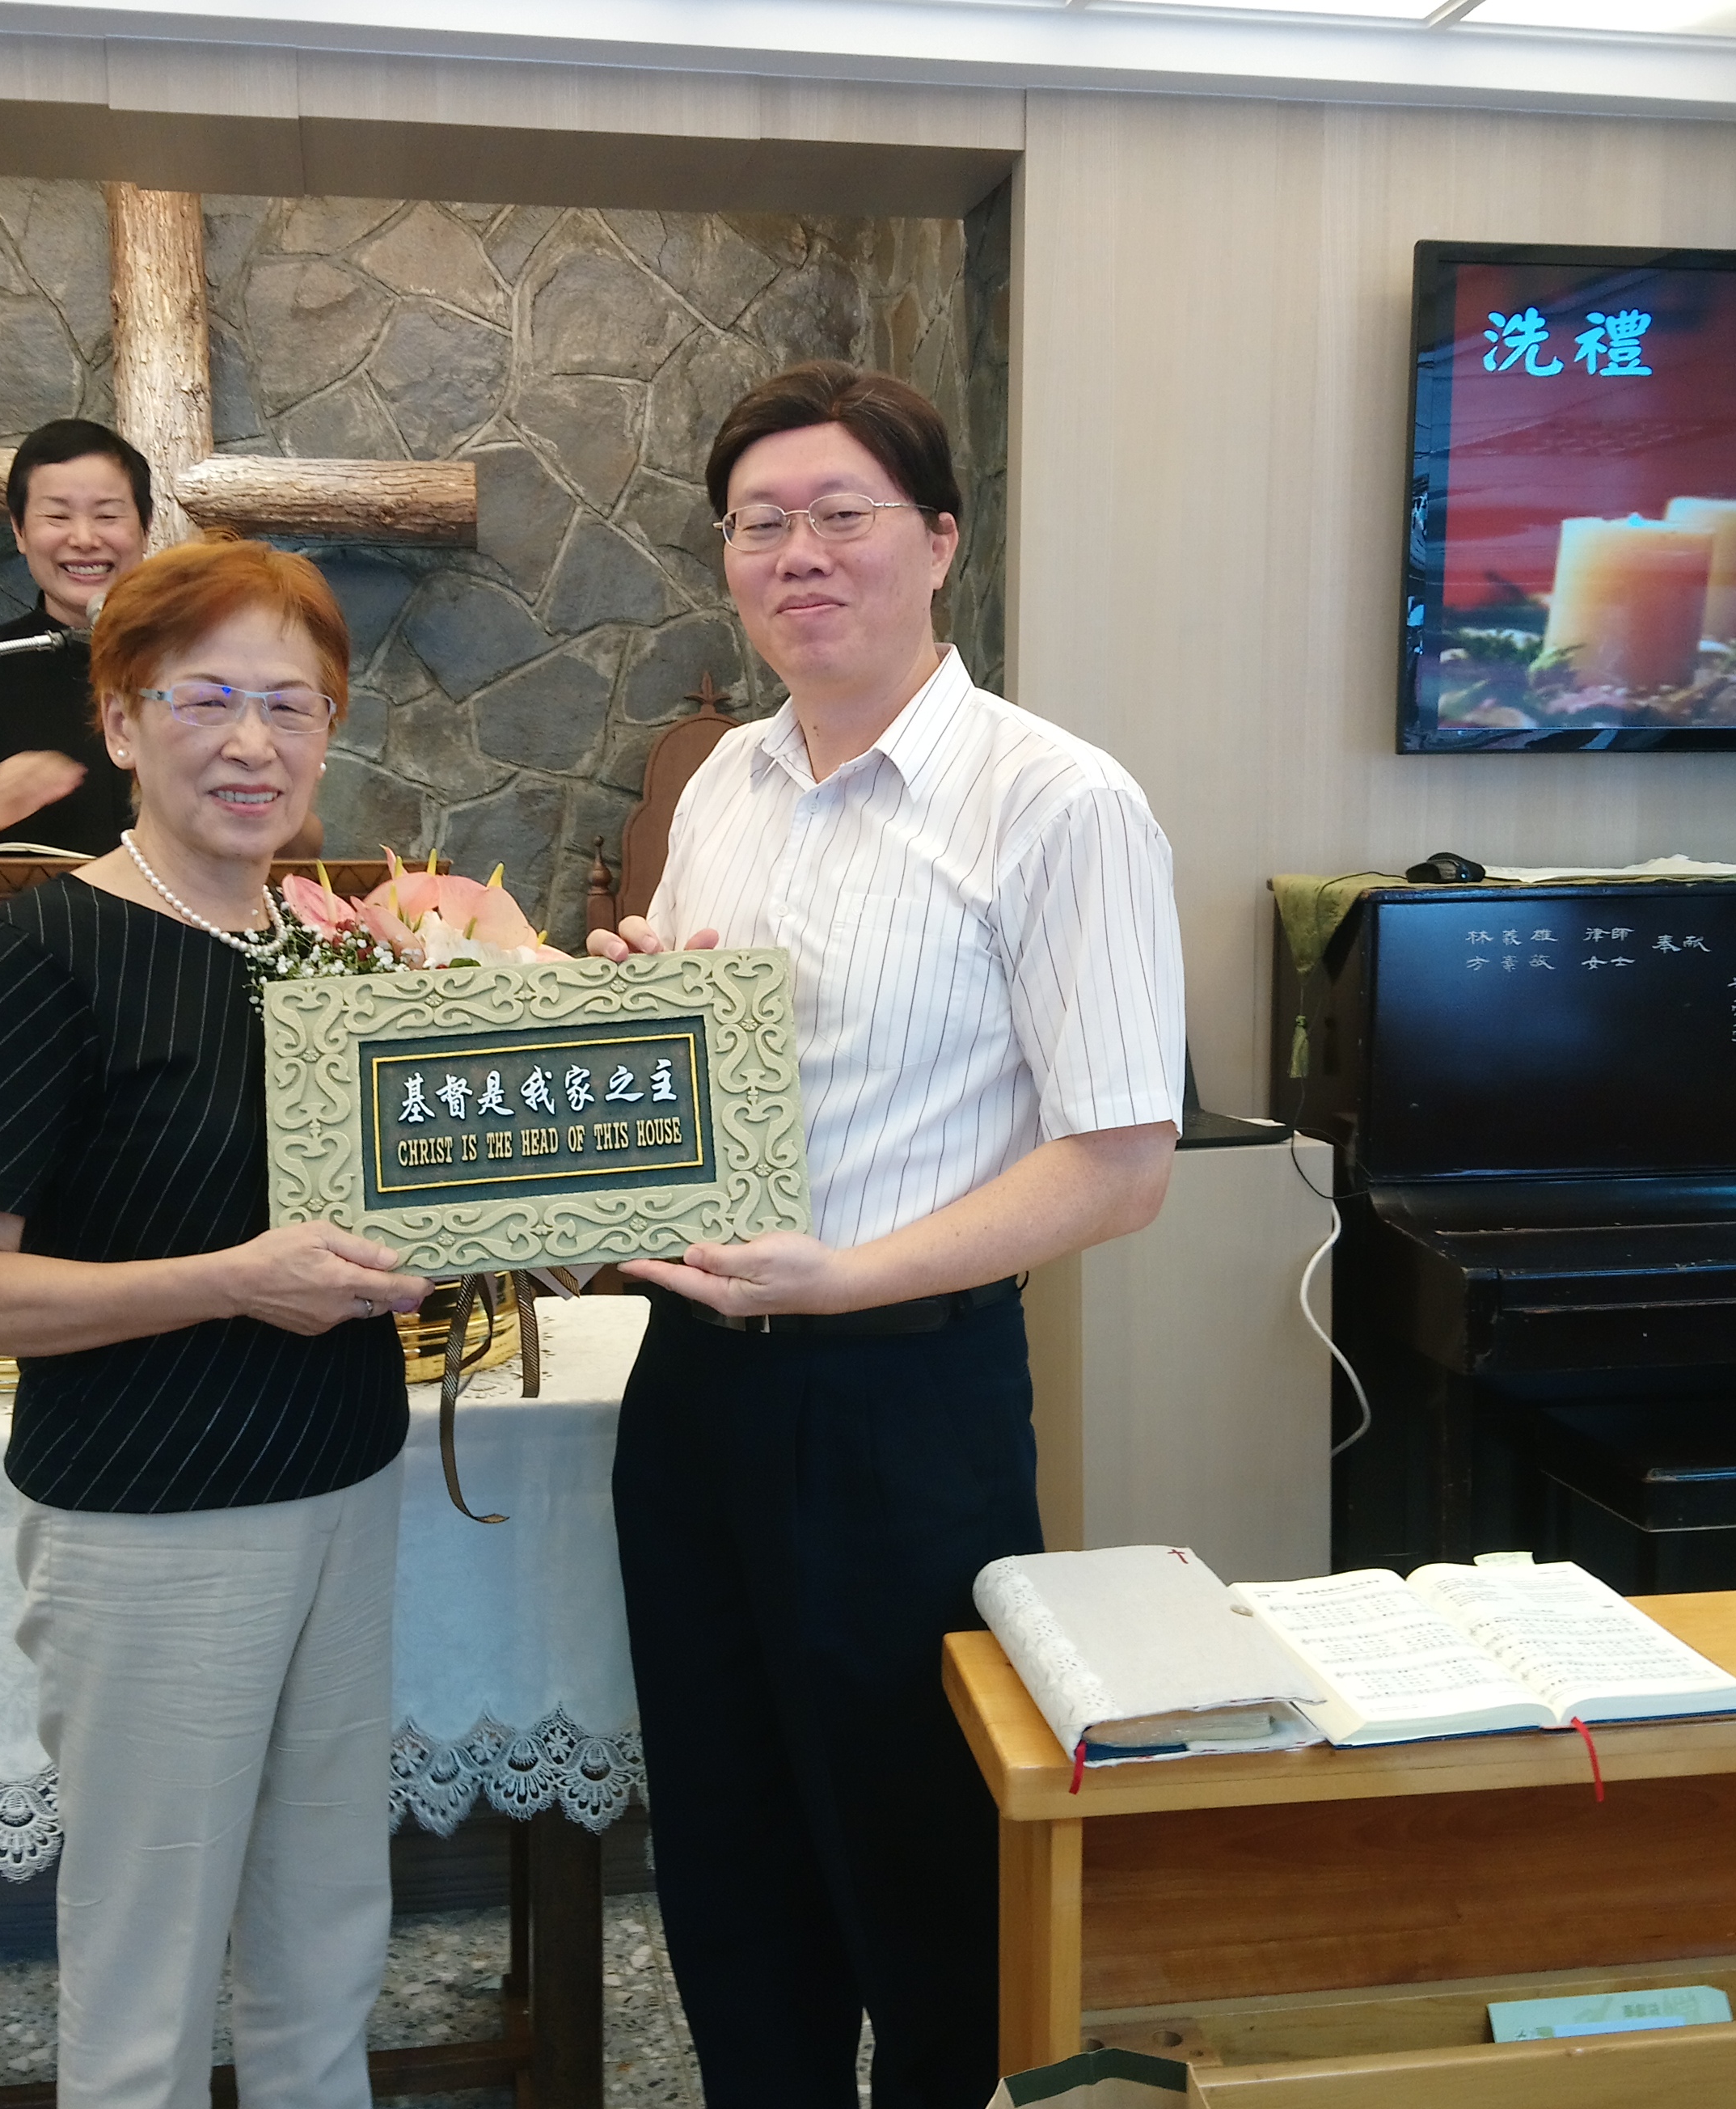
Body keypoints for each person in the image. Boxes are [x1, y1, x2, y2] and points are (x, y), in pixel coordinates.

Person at [589, 361, 1186, 2108]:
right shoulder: (722, 781)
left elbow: (1119, 1162)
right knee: (724, 1846)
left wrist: (840, 1274)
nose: (798, 552)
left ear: (935, 540)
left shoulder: (1055, 799)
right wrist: (639, 1019)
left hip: (900, 1401)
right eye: (756, 524)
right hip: (691, 1392)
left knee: (918, 1857)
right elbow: (716, 1069)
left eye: (839, 512)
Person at [0, 535, 431, 2108]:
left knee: (327, 1937)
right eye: (206, 698)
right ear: (122, 721)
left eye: (291, 702)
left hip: (342, 1482)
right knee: (150, 1971)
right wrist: (230, 1276)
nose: (252, 741)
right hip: (151, 1517)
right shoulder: (47, 947)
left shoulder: (328, 949)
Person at [0, 418, 329, 857]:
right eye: (57, 516)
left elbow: (303, 844)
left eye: (107, 516)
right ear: (20, 531)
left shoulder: (202, 667)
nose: (84, 539)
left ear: (145, 527)